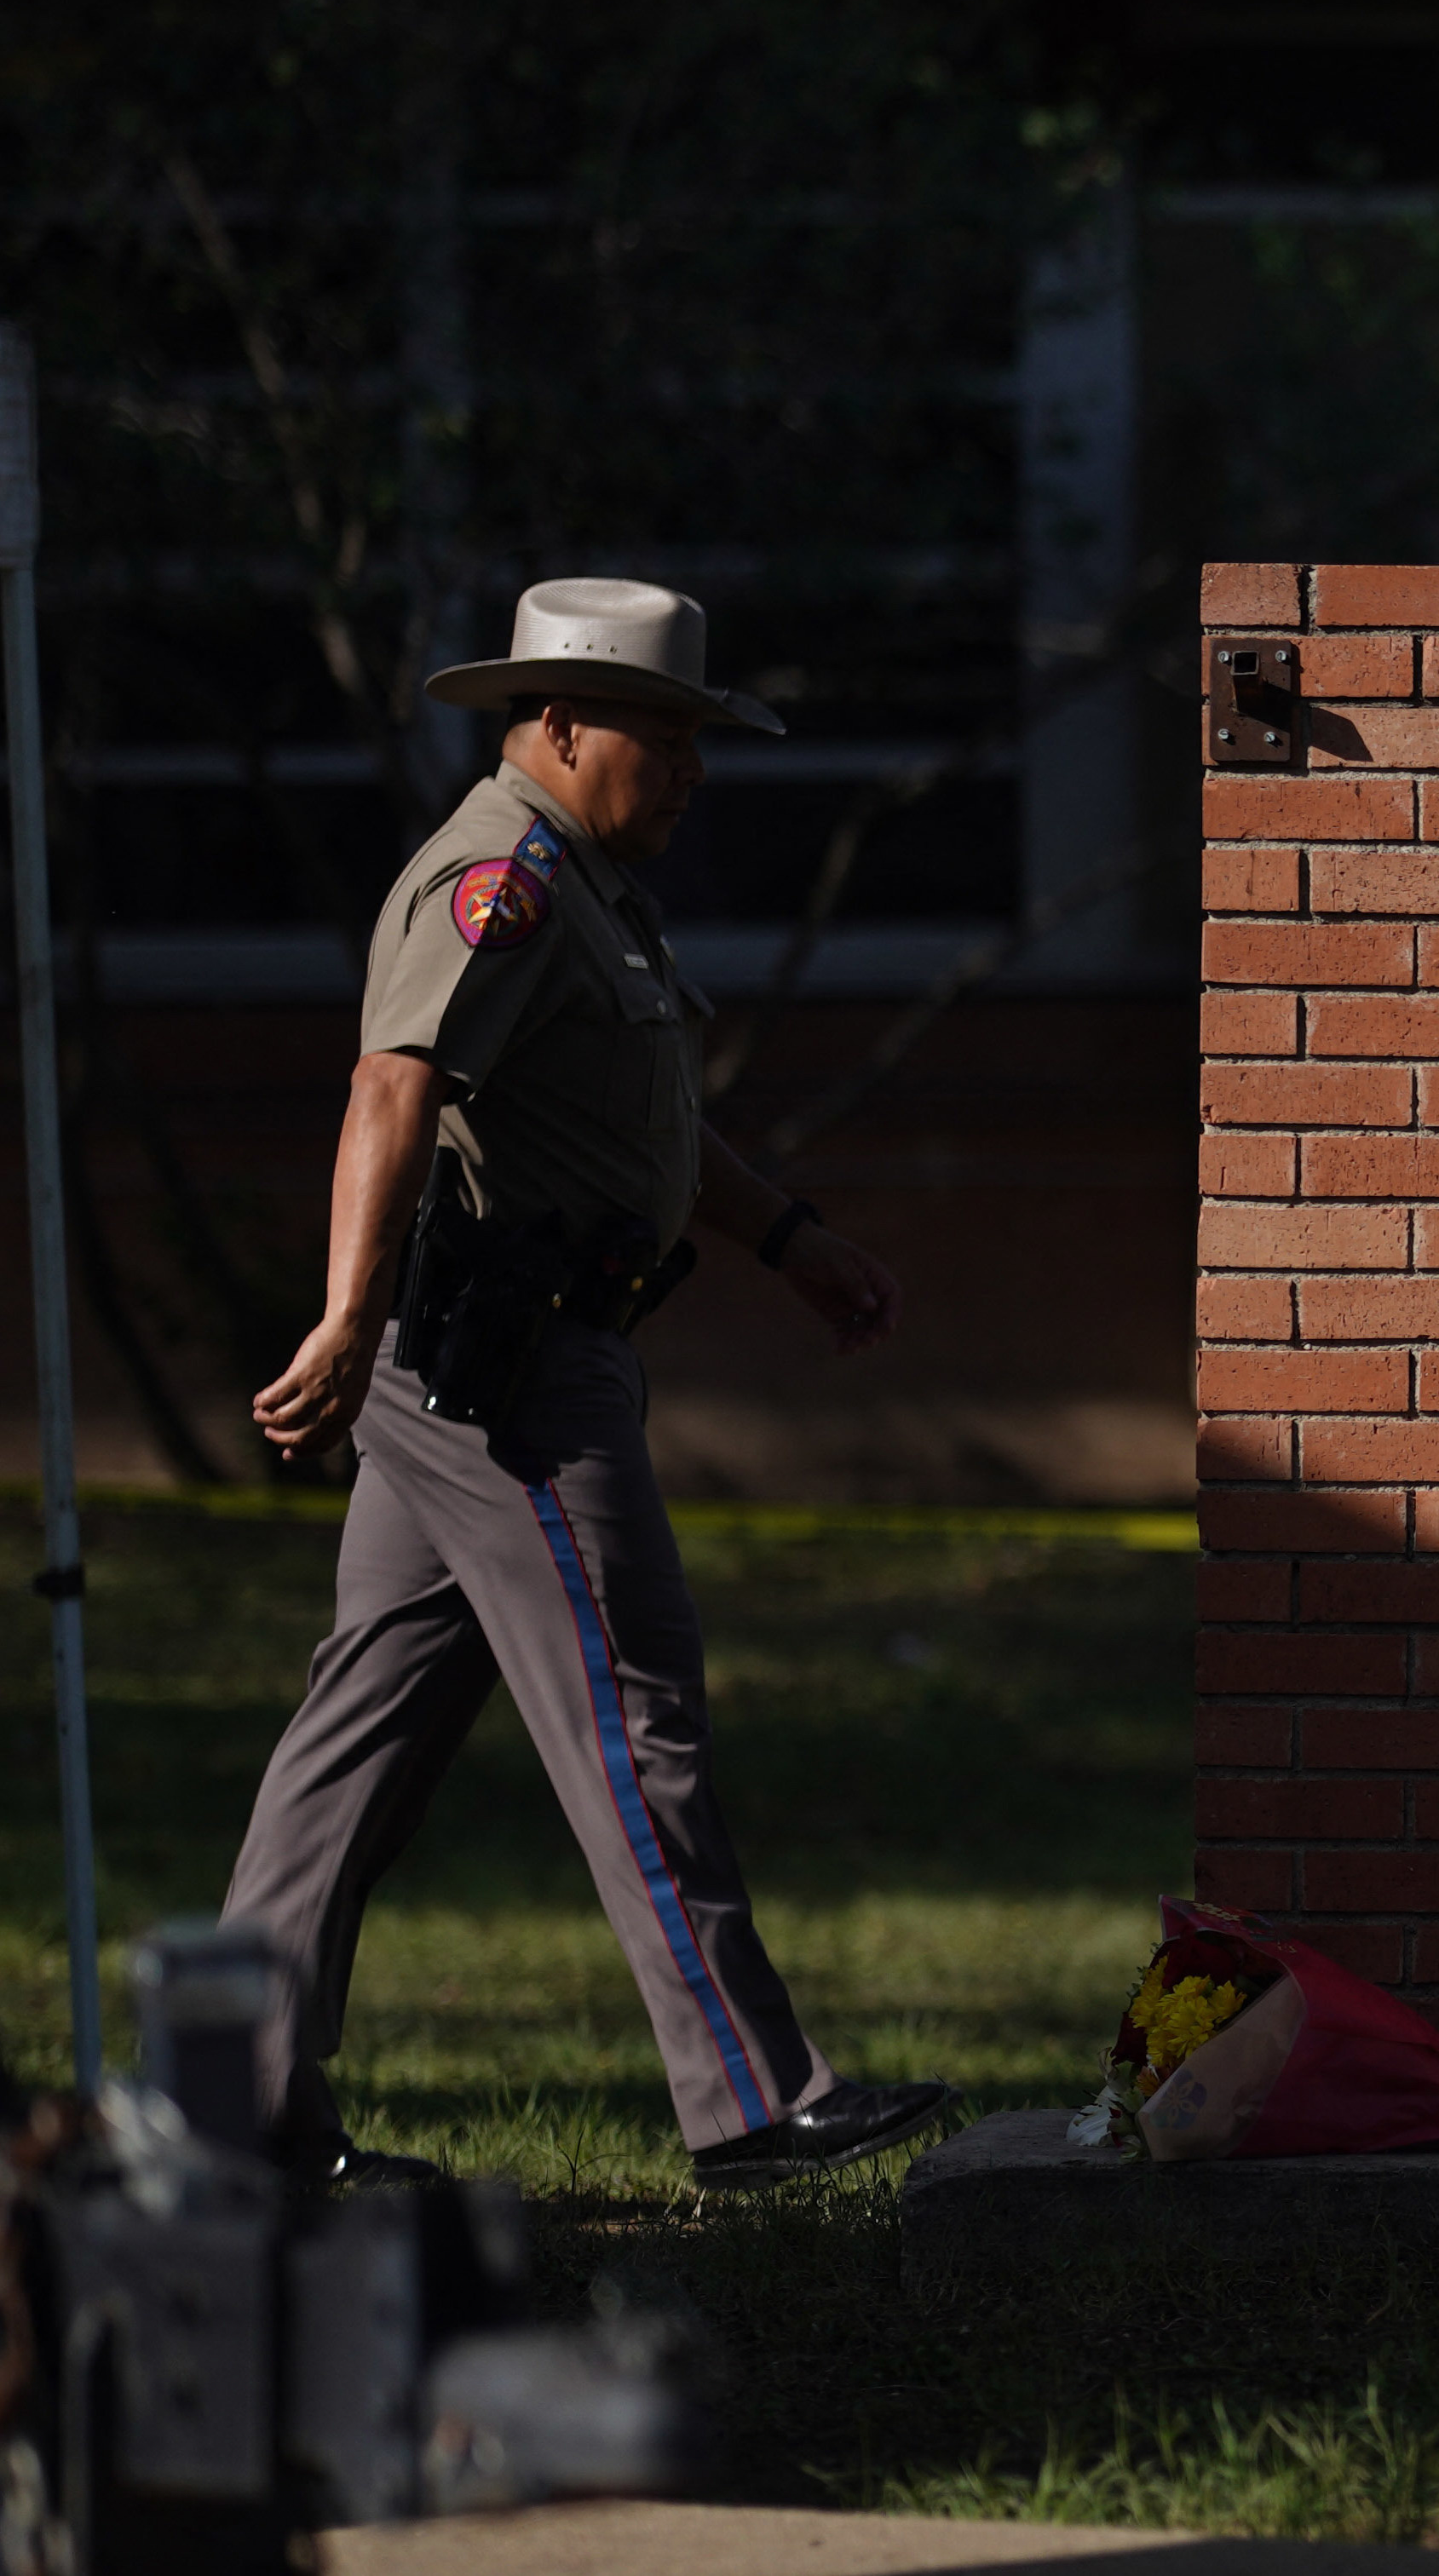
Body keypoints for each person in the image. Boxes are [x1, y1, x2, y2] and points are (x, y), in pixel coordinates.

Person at [221, 578, 948, 2191]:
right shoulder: (502, 881)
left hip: (503, 1358)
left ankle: (233, 2117)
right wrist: (342, 1318)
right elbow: (392, 1084)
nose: (693, 772)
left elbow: (637, 1137)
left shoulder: (594, 889)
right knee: (633, 1702)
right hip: (510, 1373)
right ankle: (754, 2098)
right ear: (556, 723)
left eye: (701, 743)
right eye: (667, 738)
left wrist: (795, 1239)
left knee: (360, 1744)